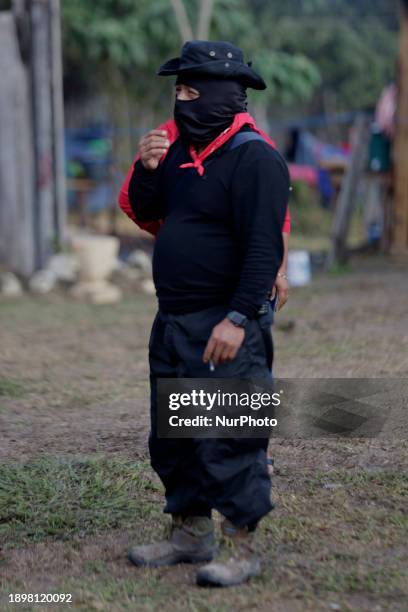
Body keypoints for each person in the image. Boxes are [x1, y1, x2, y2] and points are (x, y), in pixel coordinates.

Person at [118, 40, 290, 588]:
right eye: (177, 92)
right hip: (173, 319)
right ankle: (190, 534)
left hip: (226, 322)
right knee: (176, 435)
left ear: (221, 96)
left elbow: (264, 248)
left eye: (192, 92)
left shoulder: (255, 158)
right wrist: (147, 170)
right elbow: (149, 212)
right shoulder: (176, 153)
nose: (181, 102)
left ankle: (242, 548)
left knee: (230, 434)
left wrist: (238, 319)